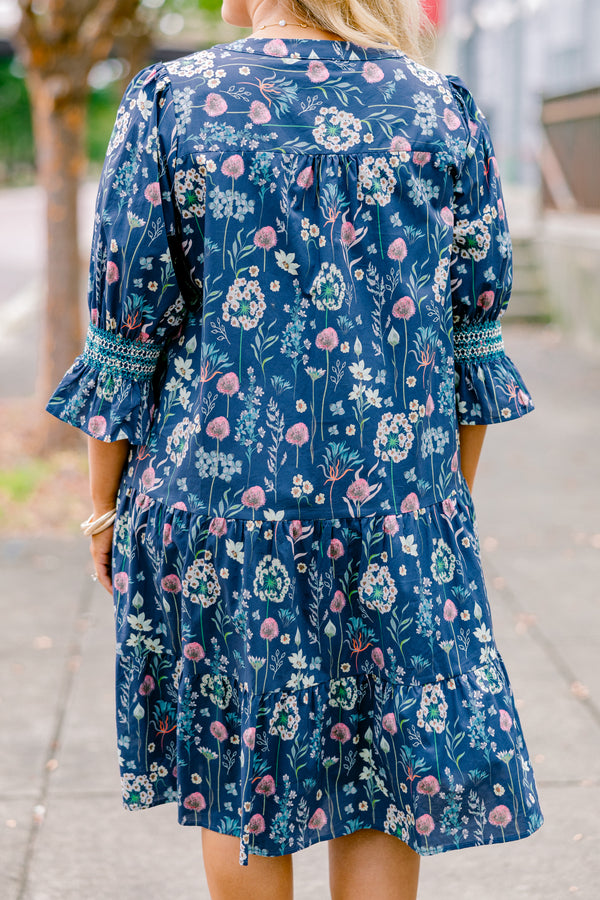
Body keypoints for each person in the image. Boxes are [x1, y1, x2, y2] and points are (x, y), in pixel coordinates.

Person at [47, 1, 544, 897]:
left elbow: (128, 332)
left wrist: (102, 508)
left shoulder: (175, 100)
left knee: (242, 777)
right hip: (396, 504)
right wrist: (442, 503)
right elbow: (474, 339)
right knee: (390, 778)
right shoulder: (440, 108)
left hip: (220, 501)